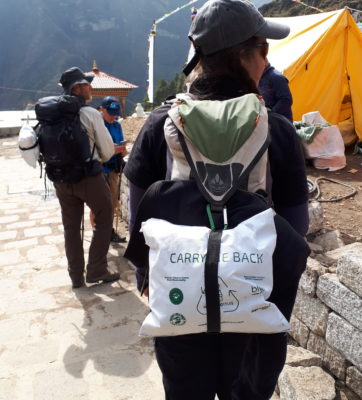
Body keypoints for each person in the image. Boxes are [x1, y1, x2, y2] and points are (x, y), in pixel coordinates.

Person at [124, 1, 309, 398]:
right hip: (254, 300)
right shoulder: (275, 129)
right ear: (246, 55)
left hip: (179, 297)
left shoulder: (161, 125)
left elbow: (138, 214)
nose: (266, 60)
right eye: (264, 48)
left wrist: (147, 279)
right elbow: (295, 227)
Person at [56, 67, 120, 288]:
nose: (90, 87)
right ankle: (96, 269)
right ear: (77, 88)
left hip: (61, 180)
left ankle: (76, 276)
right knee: (104, 216)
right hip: (88, 178)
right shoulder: (90, 114)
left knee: (71, 228)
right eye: (86, 84)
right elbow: (108, 151)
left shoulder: (52, 114)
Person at [90, 96, 128, 243]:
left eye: (116, 113)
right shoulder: (96, 125)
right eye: (111, 113)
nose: (114, 116)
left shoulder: (117, 125)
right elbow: (94, 149)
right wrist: (112, 149)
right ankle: (97, 231)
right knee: (98, 204)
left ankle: (109, 231)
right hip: (99, 170)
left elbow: (119, 144)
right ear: (102, 109)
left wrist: (122, 150)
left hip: (113, 169)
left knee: (112, 203)